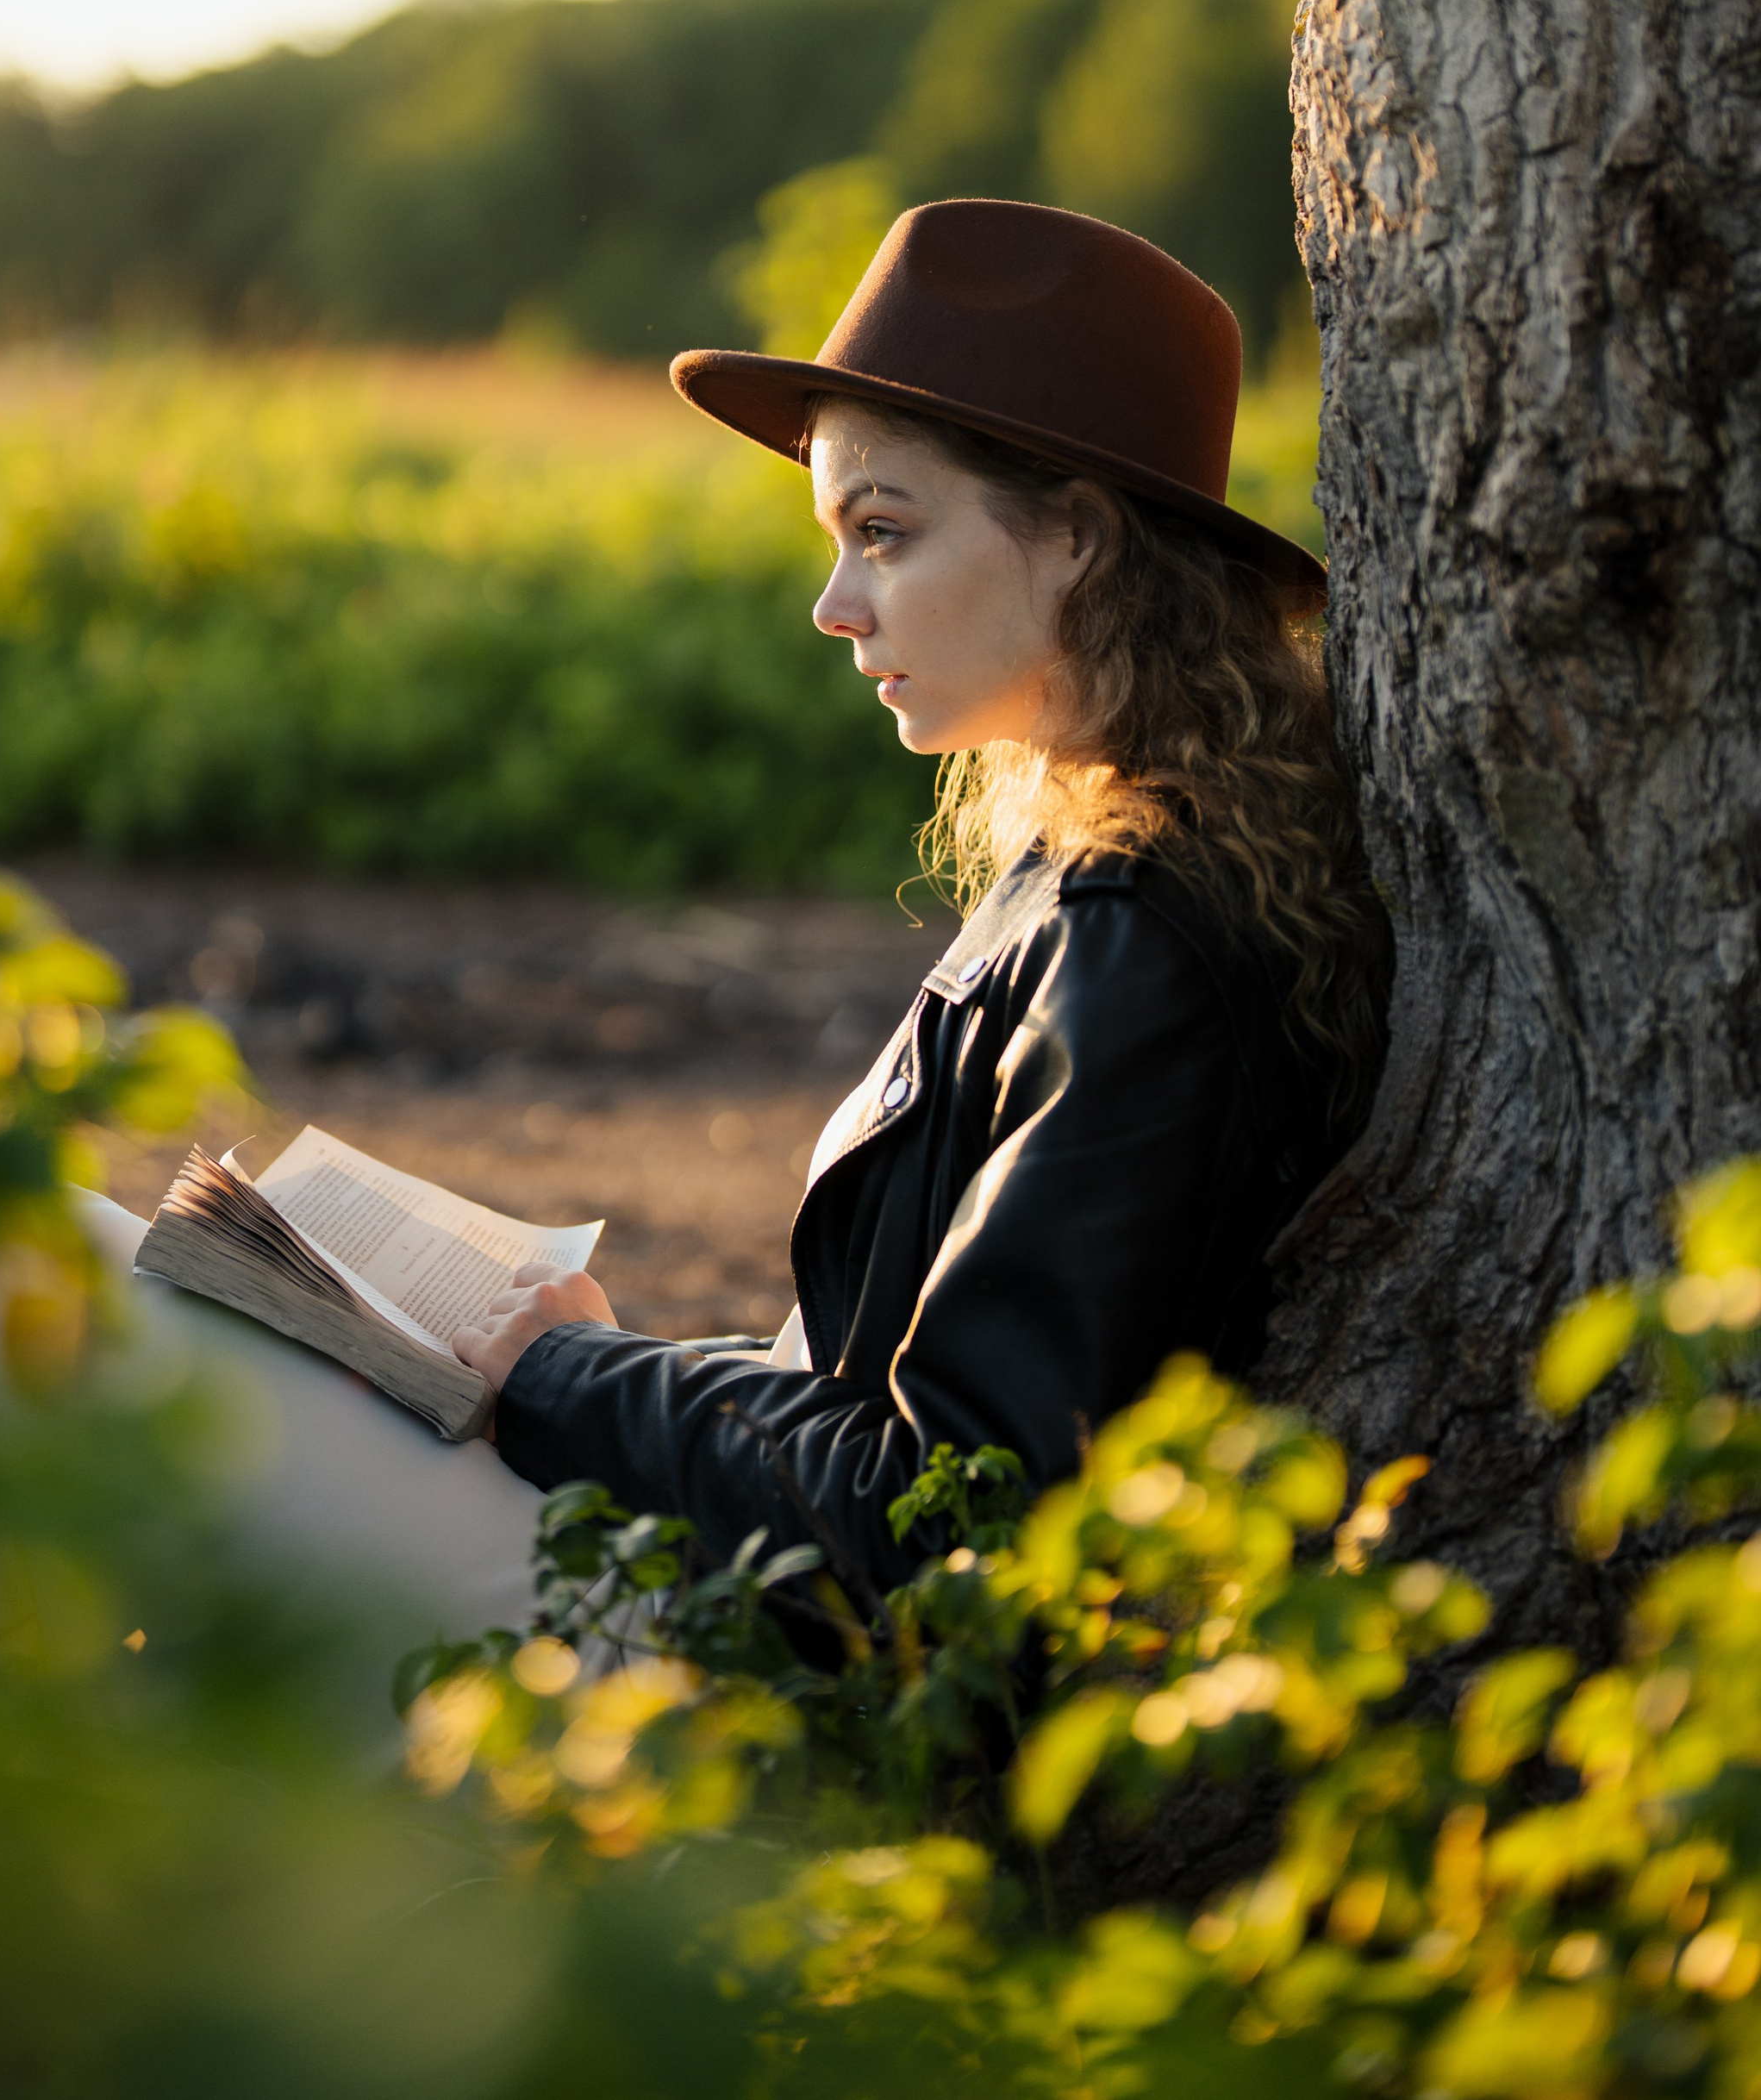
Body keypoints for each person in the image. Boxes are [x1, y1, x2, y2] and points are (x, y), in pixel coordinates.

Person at [449, 198, 1388, 1603]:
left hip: (796, 1690)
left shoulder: (1139, 950)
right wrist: (598, 1368)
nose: (835, 603)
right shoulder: (1113, 872)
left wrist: (572, 1379)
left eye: (882, 531)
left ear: (1078, 534)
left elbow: (942, 1520)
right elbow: (875, 1397)